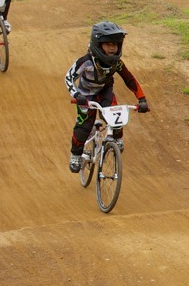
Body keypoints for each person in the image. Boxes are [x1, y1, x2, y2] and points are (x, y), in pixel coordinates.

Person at [64, 21, 150, 173]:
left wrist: (141, 99)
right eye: (108, 44)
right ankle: (75, 155)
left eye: (115, 45)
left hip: (105, 92)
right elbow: (69, 77)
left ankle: (117, 138)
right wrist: (76, 94)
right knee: (83, 127)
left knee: (116, 117)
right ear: (97, 44)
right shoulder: (86, 62)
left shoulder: (116, 64)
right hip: (86, 96)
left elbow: (129, 79)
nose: (112, 48)